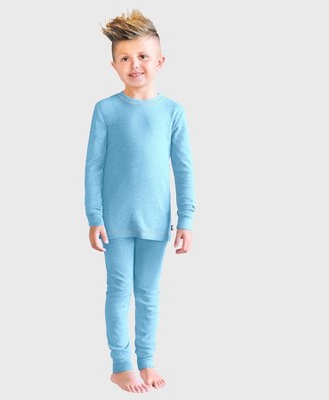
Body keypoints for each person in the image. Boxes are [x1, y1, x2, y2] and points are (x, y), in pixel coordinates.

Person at [84, 9, 196, 394]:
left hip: (156, 221)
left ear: (160, 61)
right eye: (125, 58)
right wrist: (94, 217)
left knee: (148, 294)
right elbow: (93, 167)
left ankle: (146, 360)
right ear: (114, 65)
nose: (135, 65)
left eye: (143, 56)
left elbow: (184, 170)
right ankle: (121, 365)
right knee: (119, 291)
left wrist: (186, 220)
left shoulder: (173, 112)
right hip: (115, 222)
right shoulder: (106, 110)